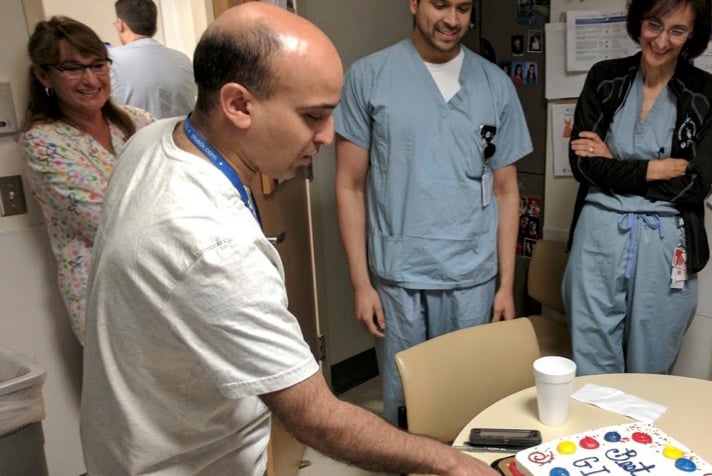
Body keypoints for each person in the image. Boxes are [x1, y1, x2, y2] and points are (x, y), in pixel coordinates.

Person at [80, 4, 497, 475]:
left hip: (133, 440)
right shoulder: (213, 243)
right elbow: (319, 420)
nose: (327, 135)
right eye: (313, 116)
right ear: (238, 104)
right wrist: (456, 464)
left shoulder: (154, 139)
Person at [335, 0, 532, 426]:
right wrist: (360, 283)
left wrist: (506, 284)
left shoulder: (495, 85)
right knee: (406, 403)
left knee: (465, 397)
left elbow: (506, 190)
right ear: (414, 3)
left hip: (471, 277)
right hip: (398, 276)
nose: (452, 19)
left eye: (463, 7)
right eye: (440, 4)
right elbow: (350, 185)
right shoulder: (369, 77)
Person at [562, 0, 712, 375]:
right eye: (654, 25)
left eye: (677, 31)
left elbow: (696, 184)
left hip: (667, 244)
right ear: (639, 22)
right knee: (591, 362)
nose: (662, 41)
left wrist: (614, 166)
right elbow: (583, 165)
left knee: (651, 369)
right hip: (598, 237)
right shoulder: (605, 78)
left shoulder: (705, 91)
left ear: (692, 35)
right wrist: (652, 169)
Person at [19, 16, 153, 345]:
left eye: (97, 64)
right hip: (106, 292)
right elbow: (106, 221)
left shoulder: (139, 122)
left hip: (161, 278)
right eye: (72, 68)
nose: (90, 79)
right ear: (43, 75)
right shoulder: (43, 143)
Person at [110, 0, 196, 118]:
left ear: (120, 24)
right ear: (155, 27)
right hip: (180, 134)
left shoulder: (109, 61)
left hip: (133, 136)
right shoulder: (183, 60)